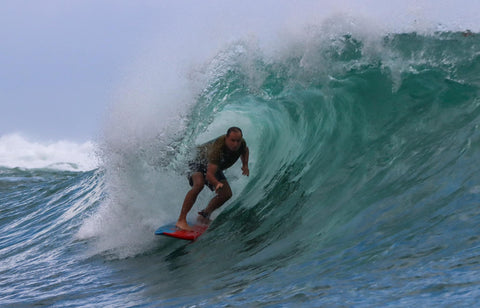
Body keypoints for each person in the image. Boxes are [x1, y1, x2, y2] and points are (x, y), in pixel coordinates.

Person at [176, 127, 250, 231]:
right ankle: (181, 220)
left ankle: (204, 215)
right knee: (199, 184)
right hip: (196, 161)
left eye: (238, 141)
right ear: (226, 138)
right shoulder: (217, 149)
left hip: (212, 165)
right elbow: (209, 175)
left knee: (226, 194)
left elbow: (245, 150)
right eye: (232, 140)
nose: (235, 144)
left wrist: (245, 165)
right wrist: (216, 183)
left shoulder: (241, 143)